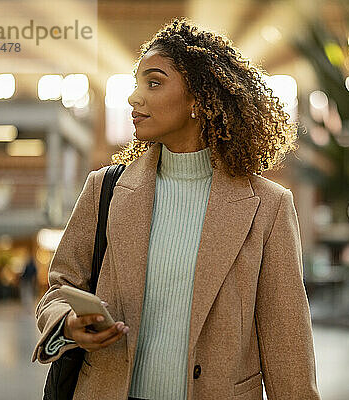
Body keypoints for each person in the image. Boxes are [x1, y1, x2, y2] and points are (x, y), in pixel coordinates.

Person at [32, 17, 320, 400]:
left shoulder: (268, 207)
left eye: (153, 83)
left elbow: (289, 350)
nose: (135, 98)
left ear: (198, 99)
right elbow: (60, 289)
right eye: (136, 85)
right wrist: (68, 323)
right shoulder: (104, 188)